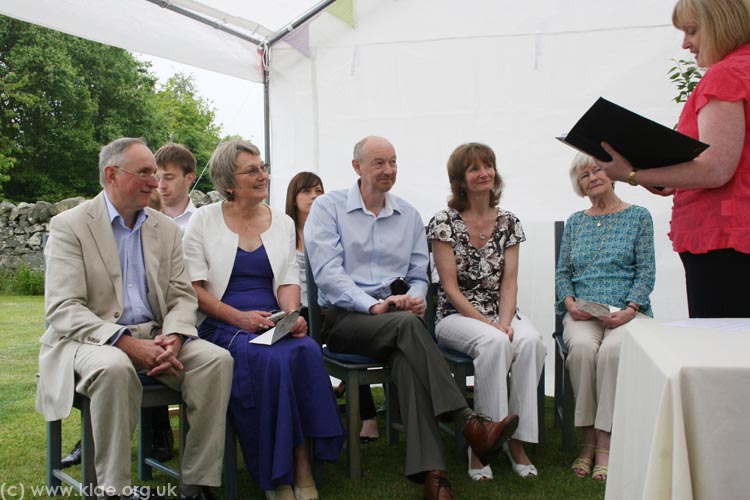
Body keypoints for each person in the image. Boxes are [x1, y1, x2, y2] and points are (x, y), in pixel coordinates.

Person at [305, 135, 520, 500]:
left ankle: (436, 478)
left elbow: (421, 275)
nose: (388, 170)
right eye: (378, 163)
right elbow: (328, 273)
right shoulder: (328, 208)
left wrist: (415, 299)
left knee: (407, 355)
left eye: (393, 162)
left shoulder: (407, 215)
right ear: (357, 167)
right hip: (344, 319)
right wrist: (373, 305)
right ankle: (467, 420)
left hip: (397, 321)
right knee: (407, 328)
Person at [37, 137, 233, 500]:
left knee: (215, 360)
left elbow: (181, 296)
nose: (154, 182)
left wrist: (174, 338)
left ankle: (197, 483)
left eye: (156, 174)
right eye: (144, 173)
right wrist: (126, 342)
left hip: (157, 335)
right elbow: (64, 308)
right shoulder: (70, 226)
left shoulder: (166, 228)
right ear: (112, 175)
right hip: (88, 340)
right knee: (114, 367)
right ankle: (112, 489)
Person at [182, 140, 344, 500]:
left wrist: (291, 316)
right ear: (228, 182)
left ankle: (301, 467)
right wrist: (239, 318)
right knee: (269, 360)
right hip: (221, 323)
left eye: (263, 167)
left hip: (271, 321)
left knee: (305, 351)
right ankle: (277, 476)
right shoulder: (203, 221)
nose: (263, 175)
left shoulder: (282, 221)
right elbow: (194, 290)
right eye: (252, 170)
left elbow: (288, 279)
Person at [597, 0, 750, 318]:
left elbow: (716, 169)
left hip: (724, 237)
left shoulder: (727, 75)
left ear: (721, 24)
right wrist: (665, 176)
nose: (685, 43)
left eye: (692, 31)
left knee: (724, 350)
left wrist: (633, 174)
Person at [427, 143, 546, 480]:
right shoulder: (443, 222)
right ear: (460, 180)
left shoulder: (509, 221)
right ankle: (482, 447)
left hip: (501, 311)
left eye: (488, 166)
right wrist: (489, 325)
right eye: (474, 168)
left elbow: (510, 283)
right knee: (495, 344)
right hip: (456, 316)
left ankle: (518, 441)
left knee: (532, 341)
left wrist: (504, 322)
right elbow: (449, 287)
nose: (484, 173)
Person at [556, 152, 656, 482]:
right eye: (584, 175)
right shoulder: (575, 221)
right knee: (583, 351)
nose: (593, 177)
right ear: (580, 186)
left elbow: (646, 271)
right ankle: (588, 437)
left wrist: (630, 309)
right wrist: (569, 302)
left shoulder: (639, 216)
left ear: (611, 174)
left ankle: (605, 441)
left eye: (598, 169)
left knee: (613, 353)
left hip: (627, 312)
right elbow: (563, 273)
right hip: (583, 311)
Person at [285, 171, 381, 443]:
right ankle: (317, 414)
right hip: (299, 309)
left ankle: (368, 418)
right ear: (293, 198)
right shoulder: (284, 234)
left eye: (318, 190)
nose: (314, 196)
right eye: (306, 191)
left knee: (354, 340)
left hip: (332, 307)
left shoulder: (333, 228)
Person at [155, 142, 198, 232]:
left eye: (169, 178)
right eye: (157, 178)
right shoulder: (143, 220)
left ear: (189, 178)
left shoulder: (203, 222)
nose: (161, 185)